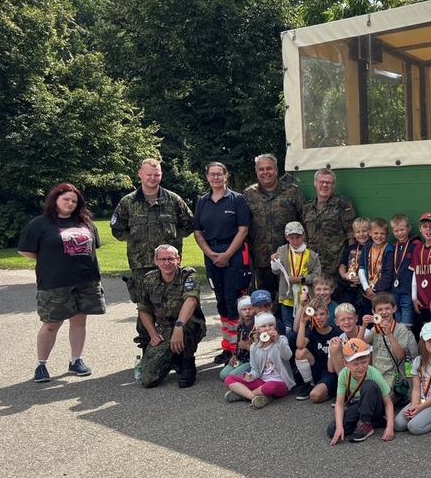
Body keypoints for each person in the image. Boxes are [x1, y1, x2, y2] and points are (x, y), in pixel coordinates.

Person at [18, 182, 106, 382]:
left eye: (74, 200)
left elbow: (93, 248)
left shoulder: (86, 223)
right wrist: (52, 260)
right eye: (66, 199)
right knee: (51, 323)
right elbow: (26, 251)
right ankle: (41, 364)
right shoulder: (40, 224)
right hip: (55, 282)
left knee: (79, 320)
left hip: (86, 280)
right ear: (55, 200)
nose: (70, 203)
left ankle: (76, 360)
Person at [111, 158, 194, 349]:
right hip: (142, 265)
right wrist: (138, 243)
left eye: (156, 174)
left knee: (172, 304)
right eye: (148, 174)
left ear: (161, 175)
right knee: (145, 305)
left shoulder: (173, 200)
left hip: (169, 265)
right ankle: (147, 346)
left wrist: (171, 241)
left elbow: (188, 225)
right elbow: (117, 229)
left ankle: (176, 347)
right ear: (140, 174)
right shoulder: (128, 202)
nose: (152, 178)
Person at [193, 162, 251, 363]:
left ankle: (239, 348)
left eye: (220, 174)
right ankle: (227, 347)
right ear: (207, 177)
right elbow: (198, 231)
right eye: (212, 174)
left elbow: (243, 230)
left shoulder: (237, 200)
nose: (216, 177)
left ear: (226, 176)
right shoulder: (202, 201)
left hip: (233, 254)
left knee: (233, 301)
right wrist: (210, 254)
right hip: (211, 255)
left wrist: (226, 254)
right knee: (220, 303)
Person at [134, 244, 206, 388]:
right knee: (148, 380)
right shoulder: (149, 279)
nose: (166, 263)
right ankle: (160, 353)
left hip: (184, 325)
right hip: (162, 329)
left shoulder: (188, 275)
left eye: (170, 259)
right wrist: (153, 334)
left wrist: (179, 327)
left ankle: (187, 362)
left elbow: (191, 300)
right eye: (162, 259)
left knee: (190, 322)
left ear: (178, 259)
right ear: (155, 261)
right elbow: (143, 309)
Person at [243, 153, 305, 298]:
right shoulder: (248, 194)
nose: (265, 172)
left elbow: (304, 220)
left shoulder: (292, 191)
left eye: (269, 168)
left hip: (289, 258)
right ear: (256, 171)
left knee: (290, 298)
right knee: (265, 300)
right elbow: (243, 227)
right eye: (261, 169)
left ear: (276, 170)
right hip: (260, 259)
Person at [328, 338, 396, 444]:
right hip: (358, 405)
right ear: (346, 363)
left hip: (376, 406)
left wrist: (390, 427)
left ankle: (366, 424)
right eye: (355, 364)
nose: (361, 367)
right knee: (332, 430)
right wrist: (340, 427)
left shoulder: (374, 373)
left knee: (369, 385)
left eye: (364, 362)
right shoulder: (343, 374)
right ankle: (372, 422)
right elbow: (339, 403)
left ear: (368, 358)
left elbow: (388, 402)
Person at [223, 312, 294, 408]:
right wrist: (251, 376)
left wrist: (278, 341)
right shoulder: (255, 347)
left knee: (270, 386)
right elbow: (255, 369)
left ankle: (243, 395)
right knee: (229, 378)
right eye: (263, 326)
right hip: (262, 381)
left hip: (281, 383)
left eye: (271, 325)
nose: (268, 328)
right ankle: (254, 397)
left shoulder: (282, 339)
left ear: (275, 326)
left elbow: (288, 356)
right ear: (257, 329)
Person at [363, 292, 419, 408]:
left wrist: (390, 335)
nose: (384, 312)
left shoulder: (401, 329)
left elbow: (400, 356)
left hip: (394, 378)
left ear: (394, 309)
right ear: (374, 312)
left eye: (387, 308)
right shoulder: (375, 329)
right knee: (365, 397)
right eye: (380, 309)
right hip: (376, 374)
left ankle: (399, 397)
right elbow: (358, 346)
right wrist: (363, 326)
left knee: (379, 403)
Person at [303, 168, 356, 280]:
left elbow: (351, 236)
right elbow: (304, 237)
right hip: (313, 267)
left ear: (334, 185)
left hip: (336, 268)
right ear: (315, 183)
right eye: (322, 181)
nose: (325, 185)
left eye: (329, 182)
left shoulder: (342, 204)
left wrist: (350, 264)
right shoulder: (307, 208)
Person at [270, 221, 320, 334]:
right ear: (286, 237)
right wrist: (273, 261)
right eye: (291, 238)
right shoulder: (282, 251)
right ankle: (291, 350)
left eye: (298, 237)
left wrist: (301, 279)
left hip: (306, 297)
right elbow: (275, 271)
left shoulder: (311, 254)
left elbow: (317, 276)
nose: (295, 241)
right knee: (288, 328)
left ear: (303, 236)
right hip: (287, 297)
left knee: (305, 326)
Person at [293, 300, 339, 403]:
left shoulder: (337, 331)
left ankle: (334, 391)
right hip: (317, 369)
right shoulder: (311, 331)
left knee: (315, 396)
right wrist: (303, 322)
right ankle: (309, 384)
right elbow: (300, 345)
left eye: (322, 314)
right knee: (300, 352)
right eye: (315, 315)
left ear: (328, 315)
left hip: (331, 372)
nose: (319, 317)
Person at [389, 214, 418, 328]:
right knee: (397, 323)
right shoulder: (394, 246)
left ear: (409, 228)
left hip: (408, 291)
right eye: (396, 231)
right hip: (395, 291)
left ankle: (406, 345)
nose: (400, 233)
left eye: (402, 230)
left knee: (406, 326)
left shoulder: (415, 245)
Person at [359, 217, 393, 313]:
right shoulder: (366, 248)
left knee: (382, 319)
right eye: (376, 233)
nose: (379, 236)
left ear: (387, 235)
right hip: (367, 293)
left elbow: (388, 274)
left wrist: (376, 291)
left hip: (383, 294)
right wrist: (366, 288)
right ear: (370, 233)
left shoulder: (389, 250)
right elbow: (361, 269)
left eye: (382, 233)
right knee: (368, 319)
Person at [219, 296, 255, 381]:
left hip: (251, 361)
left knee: (231, 376)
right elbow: (237, 345)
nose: (247, 311)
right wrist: (234, 356)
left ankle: (250, 375)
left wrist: (247, 347)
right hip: (241, 358)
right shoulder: (240, 327)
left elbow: (261, 350)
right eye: (244, 309)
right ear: (239, 311)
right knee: (223, 375)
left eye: (250, 308)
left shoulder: (256, 327)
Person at [338, 217, 370, 312]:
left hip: (367, 290)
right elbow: (342, 266)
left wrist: (363, 280)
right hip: (350, 290)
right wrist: (345, 275)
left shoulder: (374, 248)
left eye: (364, 231)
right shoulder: (351, 248)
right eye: (357, 232)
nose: (361, 234)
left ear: (370, 231)